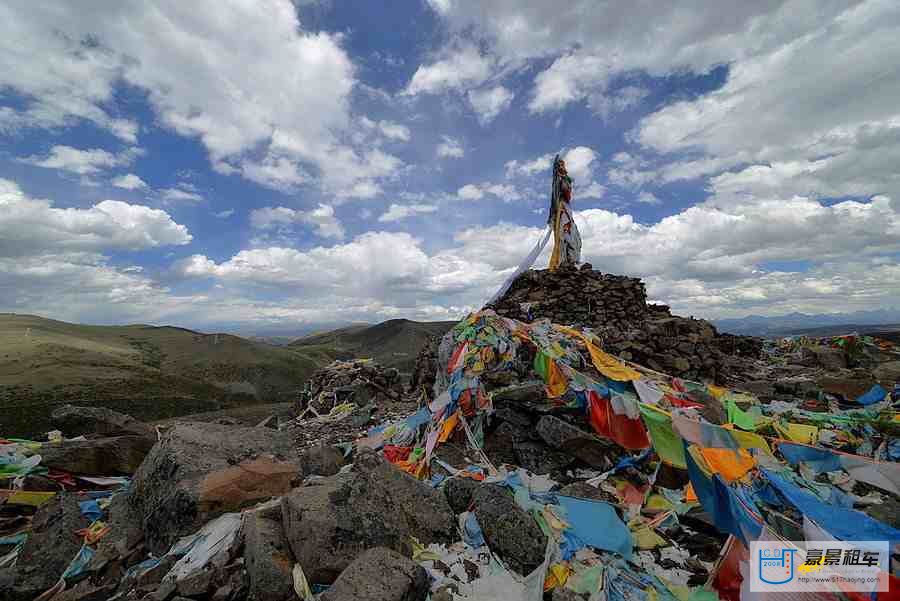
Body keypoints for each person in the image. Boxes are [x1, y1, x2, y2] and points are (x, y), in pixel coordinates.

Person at [548, 154, 581, 270]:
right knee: (564, 233)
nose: (563, 167)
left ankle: (570, 260)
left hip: (565, 207)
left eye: (564, 164)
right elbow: (564, 193)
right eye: (561, 165)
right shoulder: (559, 180)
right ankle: (563, 260)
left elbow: (568, 194)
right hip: (562, 208)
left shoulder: (564, 179)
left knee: (573, 235)